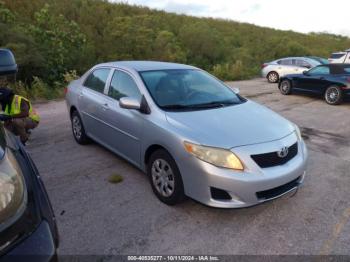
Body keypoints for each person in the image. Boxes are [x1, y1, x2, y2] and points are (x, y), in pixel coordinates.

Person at [0, 75, 40, 145]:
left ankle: (24, 140)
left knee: (17, 122)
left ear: (6, 97)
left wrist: (9, 117)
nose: (1, 102)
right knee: (5, 128)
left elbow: (25, 113)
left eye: (2, 100)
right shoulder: (6, 104)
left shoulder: (19, 100)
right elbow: (9, 117)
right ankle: (24, 134)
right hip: (21, 120)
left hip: (32, 120)